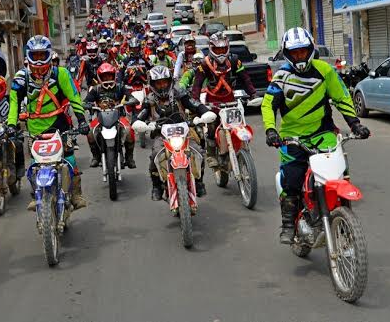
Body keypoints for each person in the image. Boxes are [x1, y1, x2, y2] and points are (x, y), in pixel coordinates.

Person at [261, 27, 370, 244]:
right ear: (287, 54)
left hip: (324, 134)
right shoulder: (281, 77)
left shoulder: (325, 70)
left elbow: (342, 98)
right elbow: (268, 105)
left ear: (310, 49)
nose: (300, 56)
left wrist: (355, 124)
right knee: (291, 178)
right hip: (292, 138)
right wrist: (271, 130)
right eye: (295, 53)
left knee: (338, 172)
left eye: (303, 51)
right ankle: (289, 224)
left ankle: (340, 215)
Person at [7, 36, 89, 210]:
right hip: (34, 130)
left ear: (49, 54)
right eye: (34, 55)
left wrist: (82, 120)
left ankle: (76, 193)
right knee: (35, 164)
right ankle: (35, 194)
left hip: (60, 126)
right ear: (28, 55)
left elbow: (74, 98)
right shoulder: (20, 78)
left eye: (41, 55)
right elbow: (14, 103)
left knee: (69, 160)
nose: (38, 60)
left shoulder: (61, 74)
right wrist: (11, 124)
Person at [134, 66, 214, 198]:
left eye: (165, 82)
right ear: (153, 84)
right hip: (161, 134)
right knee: (155, 156)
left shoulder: (179, 93)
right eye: (158, 83)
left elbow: (194, 104)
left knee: (198, 152)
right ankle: (156, 187)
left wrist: (205, 112)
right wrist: (139, 123)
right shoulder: (150, 100)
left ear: (170, 81)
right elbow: (140, 115)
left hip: (184, 132)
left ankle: (199, 182)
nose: (162, 86)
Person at [192, 32, 257, 168]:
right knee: (212, 126)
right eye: (217, 49)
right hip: (212, 102)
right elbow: (197, 85)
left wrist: (253, 94)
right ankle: (211, 155)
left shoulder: (234, 61)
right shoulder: (204, 64)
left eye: (223, 49)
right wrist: (195, 103)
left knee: (239, 124)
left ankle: (241, 150)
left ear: (227, 48)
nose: (221, 52)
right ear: (211, 49)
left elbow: (246, 79)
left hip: (231, 101)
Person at [84, 63, 136, 169]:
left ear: (114, 76)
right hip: (100, 117)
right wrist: (87, 105)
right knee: (90, 133)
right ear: (100, 77)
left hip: (119, 117)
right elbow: (85, 101)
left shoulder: (120, 87)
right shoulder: (96, 89)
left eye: (109, 75)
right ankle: (96, 156)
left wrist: (129, 101)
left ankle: (129, 157)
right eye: (104, 76)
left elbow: (131, 98)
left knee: (129, 131)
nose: (107, 78)